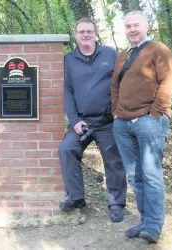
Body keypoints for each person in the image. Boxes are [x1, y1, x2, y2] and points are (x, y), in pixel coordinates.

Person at [111, 11, 172, 243]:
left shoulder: (158, 49)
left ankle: (154, 225)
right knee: (135, 176)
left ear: (146, 26)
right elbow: (115, 86)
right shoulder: (123, 55)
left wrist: (155, 112)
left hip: (150, 120)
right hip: (123, 123)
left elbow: (168, 81)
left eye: (136, 25)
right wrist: (116, 112)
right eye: (128, 26)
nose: (132, 29)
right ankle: (145, 221)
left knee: (150, 174)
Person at [58, 18, 127, 223]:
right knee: (66, 149)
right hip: (82, 122)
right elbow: (67, 92)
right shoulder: (68, 59)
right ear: (76, 35)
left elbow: (121, 84)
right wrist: (74, 120)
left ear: (95, 33)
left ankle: (116, 204)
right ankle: (76, 198)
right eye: (81, 32)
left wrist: (119, 111)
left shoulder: (110, 54)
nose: (85, 35)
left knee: (113, 160)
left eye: (89, 31)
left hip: (107, 121)